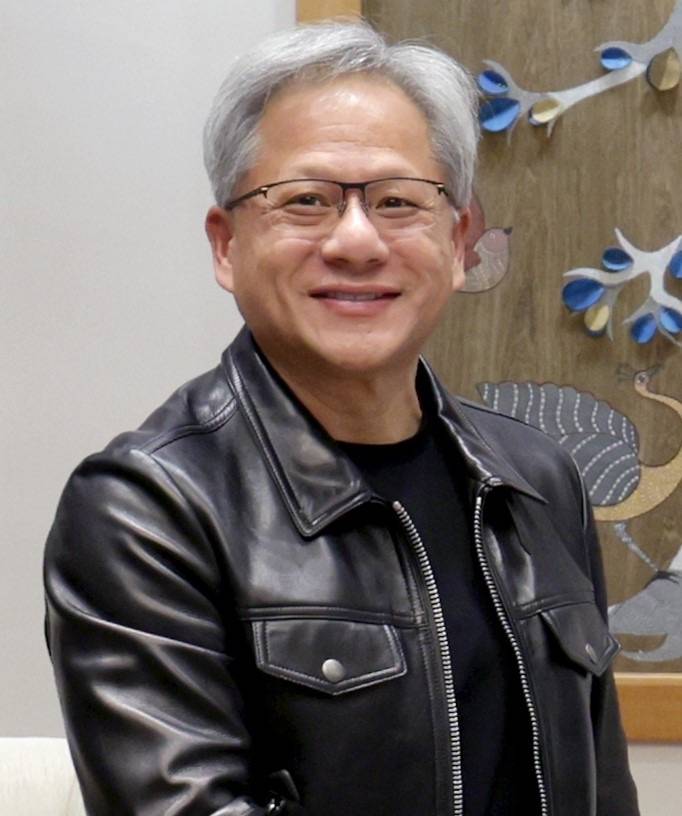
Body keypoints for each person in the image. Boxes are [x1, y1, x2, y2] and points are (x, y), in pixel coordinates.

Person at [44, 20, 639, 816]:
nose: (357, 242)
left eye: (398, 201)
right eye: (306, 201)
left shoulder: (537, 479)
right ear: (226, 246)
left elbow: (604, 793)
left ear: (459, 241)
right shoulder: (147, 508)